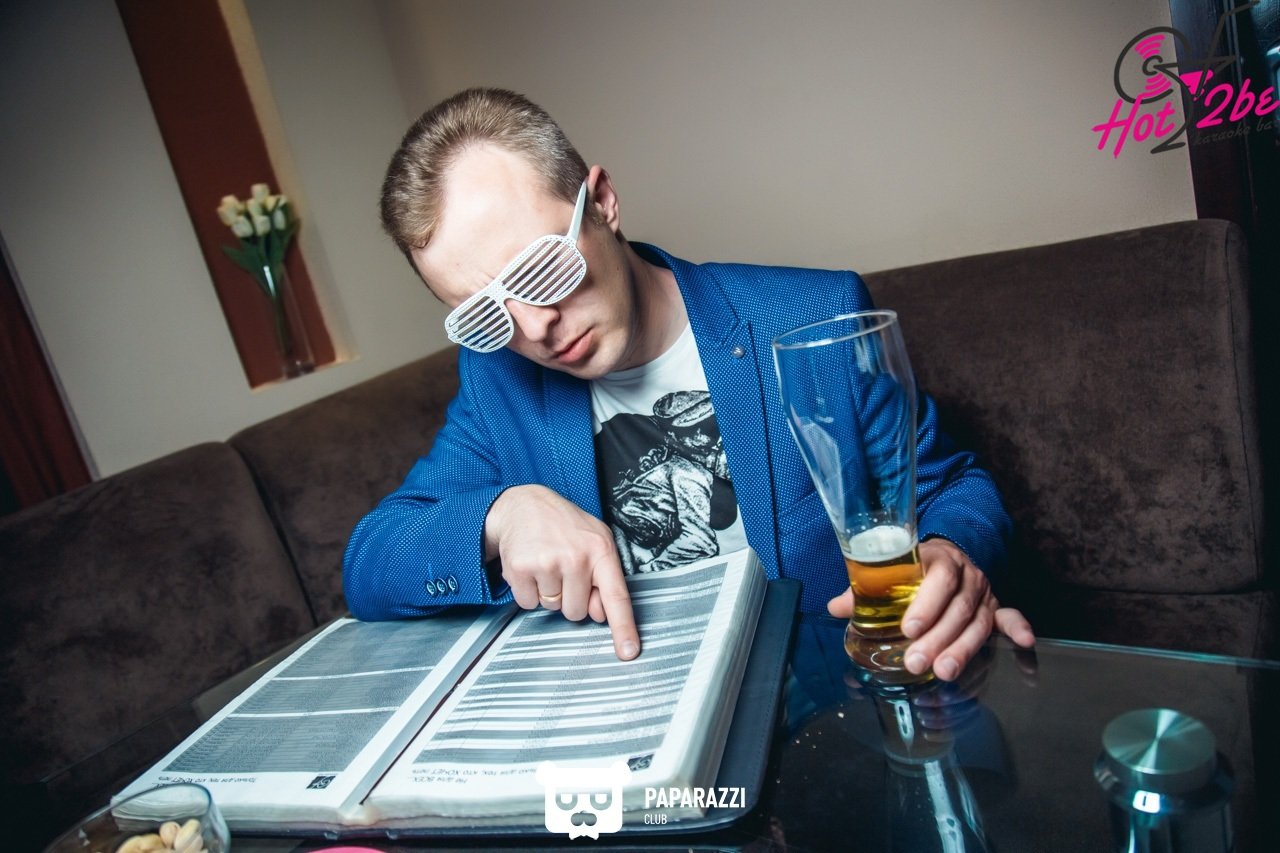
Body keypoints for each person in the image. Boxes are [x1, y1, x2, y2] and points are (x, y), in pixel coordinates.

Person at [343, 87, 1034, 681]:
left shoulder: (815, 314)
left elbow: (950, 489)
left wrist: (950, 554)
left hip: (831, 704)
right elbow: (371, 560)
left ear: (602, 202)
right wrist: (504, 515)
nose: (534, 327)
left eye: (539, 270)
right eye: (483, 313)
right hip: (642, 723)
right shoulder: (499, 376)